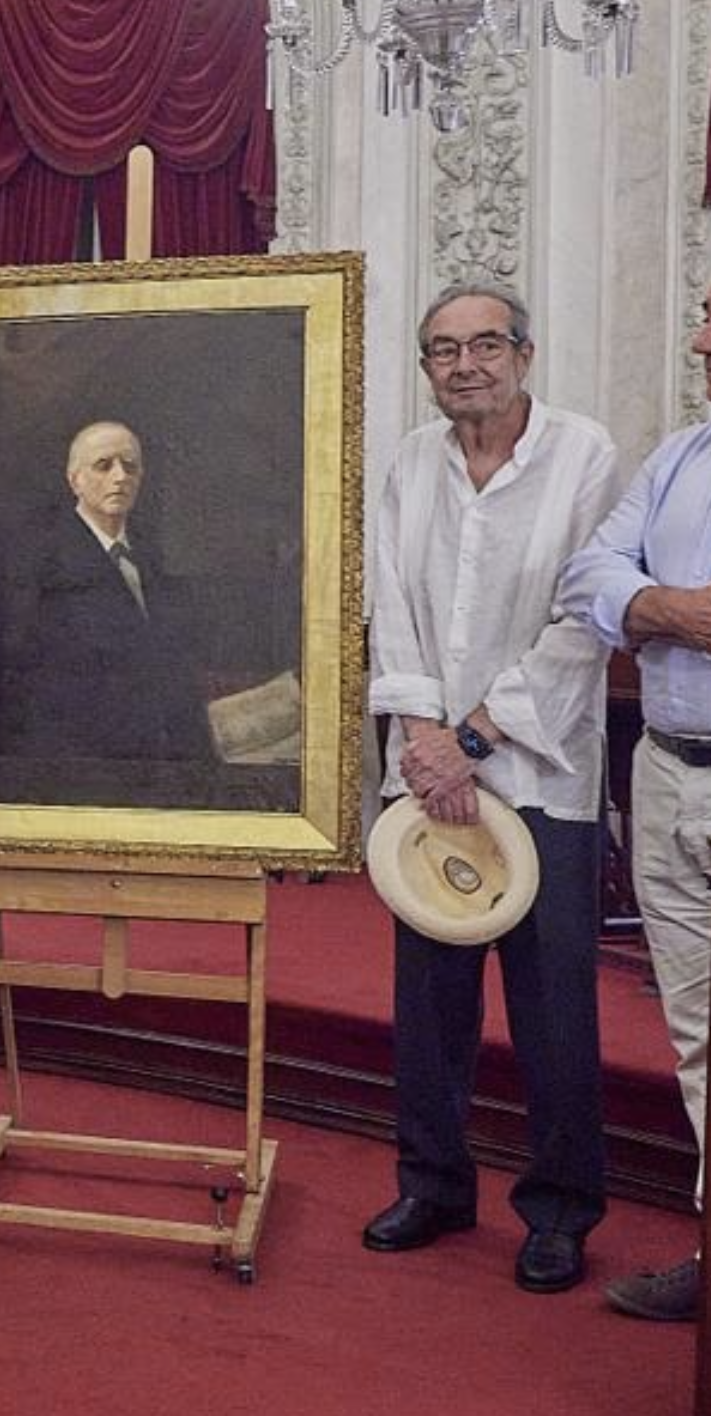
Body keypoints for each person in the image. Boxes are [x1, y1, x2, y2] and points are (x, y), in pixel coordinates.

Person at [362, 283, 620, 1294]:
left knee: (552, 1007)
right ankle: (431, 1184)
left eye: (483, 345)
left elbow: (583, 620)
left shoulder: (585, 457)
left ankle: (558, 1210)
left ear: (524, 351)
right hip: (423, 779)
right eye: (441, 351)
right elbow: (391, 604)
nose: (464, 365)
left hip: (537, 773)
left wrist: (473, 736)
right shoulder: (408, 464)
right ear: (425, 367)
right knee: (428, 1002)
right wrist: (424, 737)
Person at [558, 284, 711, 1323]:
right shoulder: (678, 460)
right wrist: (663, 607)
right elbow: (588, 573)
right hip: (665, 768)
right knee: (696, 1033)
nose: (697, 335)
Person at [22, 420, 211, 770]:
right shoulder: (44, 563)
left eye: (130, 466)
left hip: (165, 760)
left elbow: (174, 668)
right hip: (88, 762)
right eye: (104, 465)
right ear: (74, 479)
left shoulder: (153, 558)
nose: (120, 477)